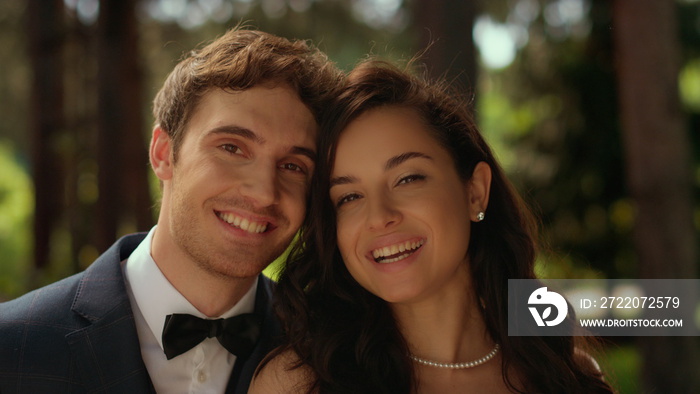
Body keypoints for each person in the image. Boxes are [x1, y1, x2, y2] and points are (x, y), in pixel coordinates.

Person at [0, 26, 341, 393]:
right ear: (163, 153)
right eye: (231, 148)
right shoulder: (13, 348)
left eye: (293, 166)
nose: (263, 194)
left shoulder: (332, 356)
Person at [249, 59, 614, 393]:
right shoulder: (297, 386)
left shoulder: (568, 376)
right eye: (348, 197)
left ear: (475, 193)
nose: (379, 216)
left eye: (408, 179)